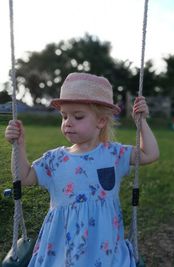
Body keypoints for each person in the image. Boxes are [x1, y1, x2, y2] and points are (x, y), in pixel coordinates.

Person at [5, 72, 159, 267]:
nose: (68, 122)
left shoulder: (114, 154)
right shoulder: (55, 159)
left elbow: (150, 154)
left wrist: (141, 122)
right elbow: (24, 177)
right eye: (64, 116)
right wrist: (18, 146)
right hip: (63, 247)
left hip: (104, 246)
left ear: (101, 121)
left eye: (77, 116)